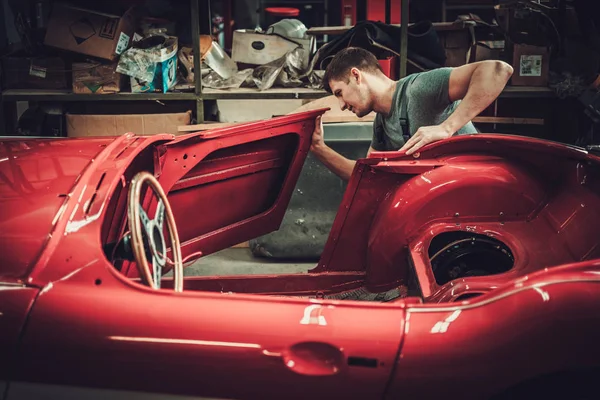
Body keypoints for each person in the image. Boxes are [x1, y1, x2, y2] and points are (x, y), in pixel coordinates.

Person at [310, 47, 514, 181]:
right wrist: (319, 148)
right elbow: (367, 178)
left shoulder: (419, 89)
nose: (342, 105)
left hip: (481, 193)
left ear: (356, 76)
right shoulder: (381, 125)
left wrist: (446, 128)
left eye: (340, 93)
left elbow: (497, 69)